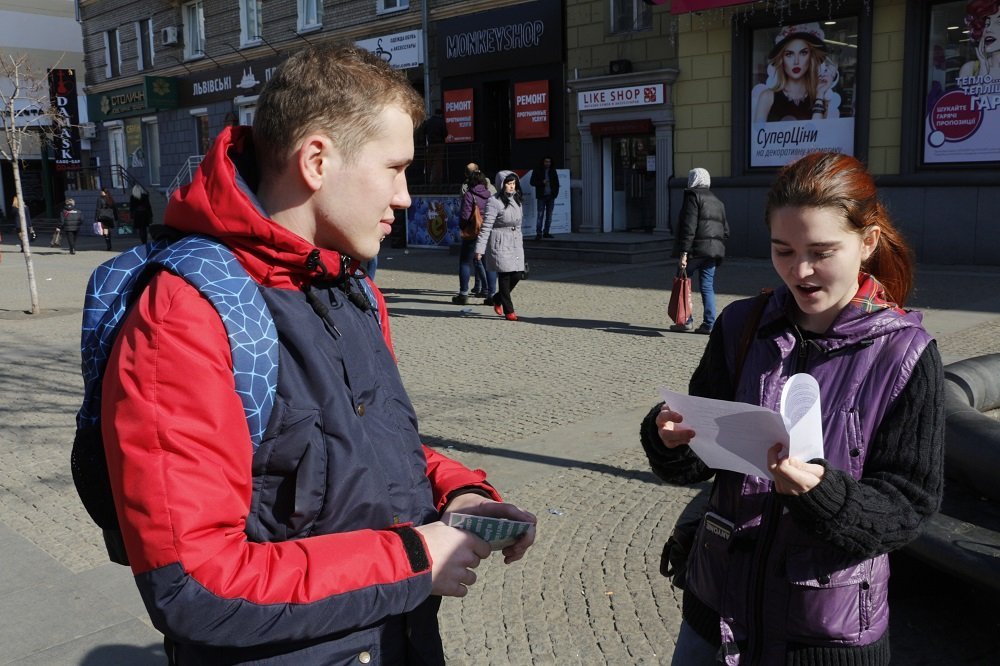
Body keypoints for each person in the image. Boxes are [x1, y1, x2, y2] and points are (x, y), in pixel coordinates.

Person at [100, 44, 536, 664]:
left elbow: (362, 447)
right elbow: (195, 585)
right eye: (395, 168)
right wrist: (414, 559)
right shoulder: (186, 315)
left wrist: (458, 496)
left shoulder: (349, 285)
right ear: (316, 160)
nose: (407, 197)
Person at [641, 152, 944, 665]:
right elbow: (698, 461)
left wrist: (823, 495)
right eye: (783, 250)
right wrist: (667, 438)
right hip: (714, 614)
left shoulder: (905, 354)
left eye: (821, 252)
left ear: (867, 242)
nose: (800, 271)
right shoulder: (741, 326)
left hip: (825, 633)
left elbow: (910, 507)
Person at [670, 168, 728, 334]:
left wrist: (684, 253)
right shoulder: (718, 202)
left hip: (695, 251)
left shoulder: (692, 196)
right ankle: (709, 324)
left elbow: (689, 227)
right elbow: (726, 231)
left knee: (683, 282)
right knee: (707, 286)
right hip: (713, 252)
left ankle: (685, 320)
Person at [476, 171, 526, 321]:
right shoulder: (494, 202)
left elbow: (518, 225)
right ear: (501, 185)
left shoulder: (517, 200)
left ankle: (498, 298)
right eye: (508, 184)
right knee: (504, 275)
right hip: (500, 241)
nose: (511, 187)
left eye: (513, 184)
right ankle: (509, 310)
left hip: (515, 242)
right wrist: (480, 249)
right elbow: (486, 227)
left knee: (517, 274)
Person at [753, 23, 829, 122]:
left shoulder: (820, 100)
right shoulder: (767, 97)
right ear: (782, 59)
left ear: (811, 58)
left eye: (803, 53)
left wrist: (820, 94)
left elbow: (819, 134)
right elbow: (758, 135)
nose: (796, 61)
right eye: (789, 54)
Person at [453, 166, 495, 305]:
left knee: (465, 262)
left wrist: (463, 227)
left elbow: (465, 215)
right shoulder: (490, 195)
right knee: (488, 263)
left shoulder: (470, 195)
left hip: (473, 231)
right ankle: (491, 294)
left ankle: (463, 294)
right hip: (487, 230)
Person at [959, 0, 1000, 79]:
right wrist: (983, 68)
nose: (988, 29)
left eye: (999, 22)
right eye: (987, 23)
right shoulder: (970, 69)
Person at [529, 156, 560, 240]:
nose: (548, 163)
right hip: (541, 197)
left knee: (549, 216)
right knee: (540, 215)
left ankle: (546, 232)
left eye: (549, 162)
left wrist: (555, 194)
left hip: (551, 196)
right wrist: (541, 182)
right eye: (546, 161)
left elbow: (557, 184)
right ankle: (539, 233)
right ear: (543, 162)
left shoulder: (553, 171)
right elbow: (532, 182)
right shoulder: (537, 170)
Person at [424, 107, 448, 184]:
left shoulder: (429, 121)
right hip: (440, 144)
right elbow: (445, 134)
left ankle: (427, 180)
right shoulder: (441, 121)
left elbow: (424, 131)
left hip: (430, 144)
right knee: (438, 164)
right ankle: (436, 182)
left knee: (429, 162)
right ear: (440, 114)